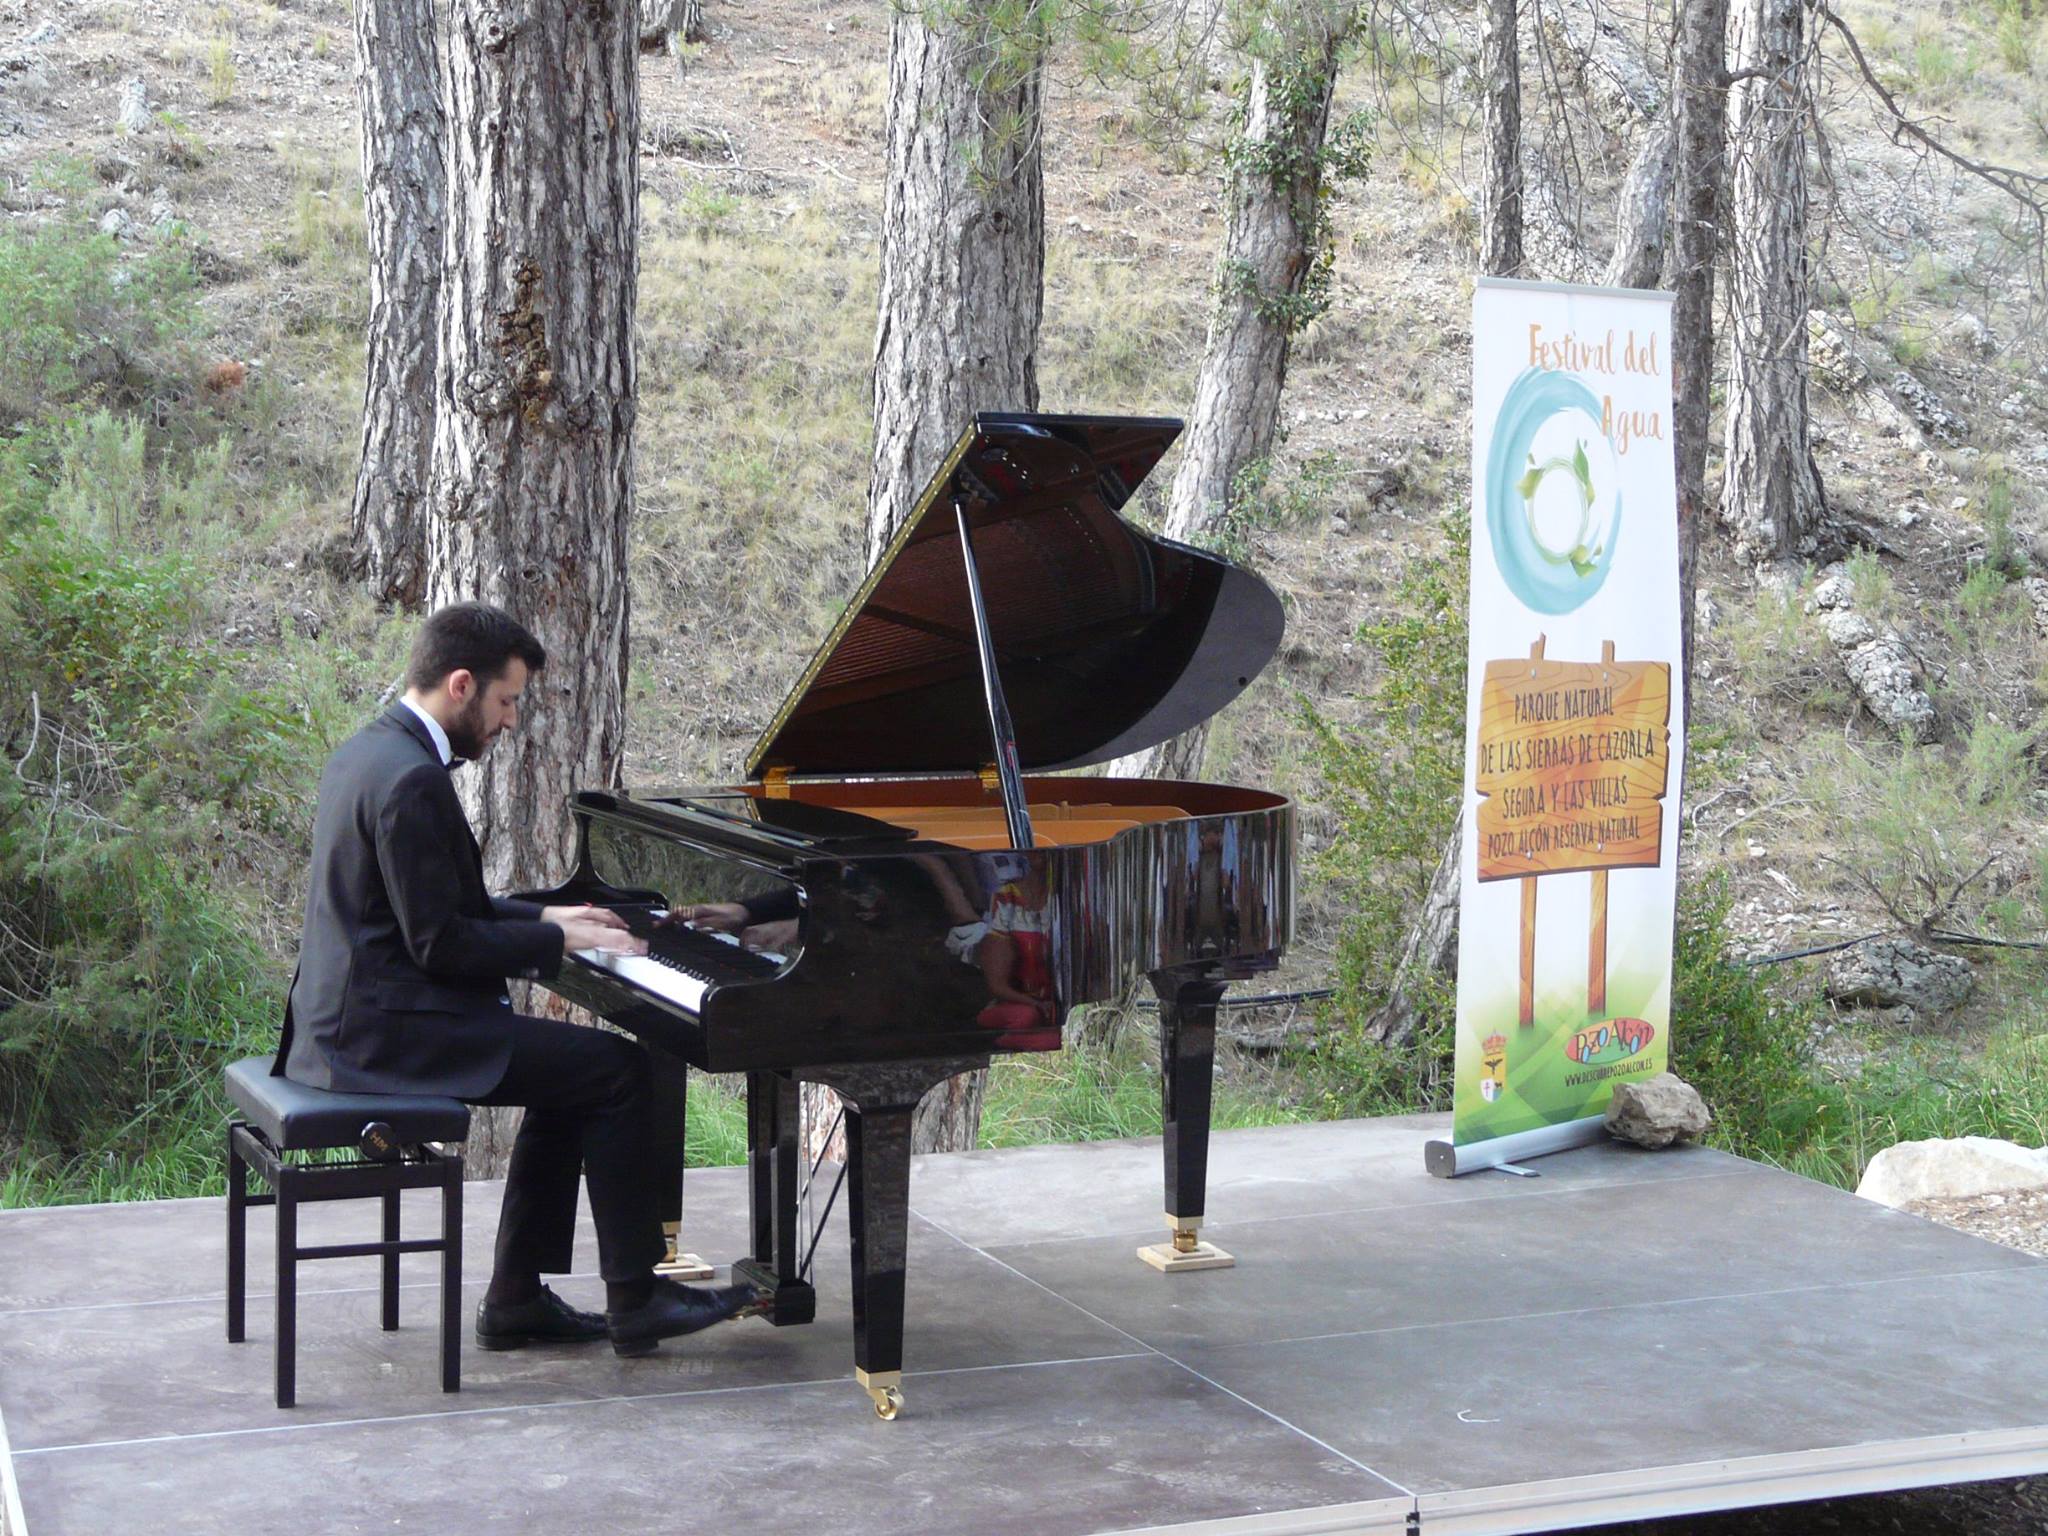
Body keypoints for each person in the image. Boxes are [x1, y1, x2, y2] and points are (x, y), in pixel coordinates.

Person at [273, 601, 754, 1358]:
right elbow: (441, 945)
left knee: (575, 1074)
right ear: (461, 686)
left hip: (349, 1020)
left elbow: (442, 909)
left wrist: (556, 913)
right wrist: (553, 936)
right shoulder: (412, 782)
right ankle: (637, 1297)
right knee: (617, 1070)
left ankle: (518, 1298)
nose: (509, 720)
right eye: (507, 701)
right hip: (384, 1035)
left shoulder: (372, 753)